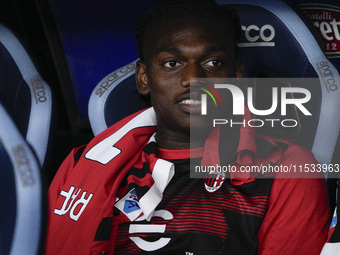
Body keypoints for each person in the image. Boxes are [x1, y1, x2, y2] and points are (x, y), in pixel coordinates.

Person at [45, 0, 330, 254]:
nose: (193, 79)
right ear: (144, 78)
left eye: (213, 62)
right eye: (172, 63)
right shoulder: (81, 164)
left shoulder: (286, 168)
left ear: (237, 76)